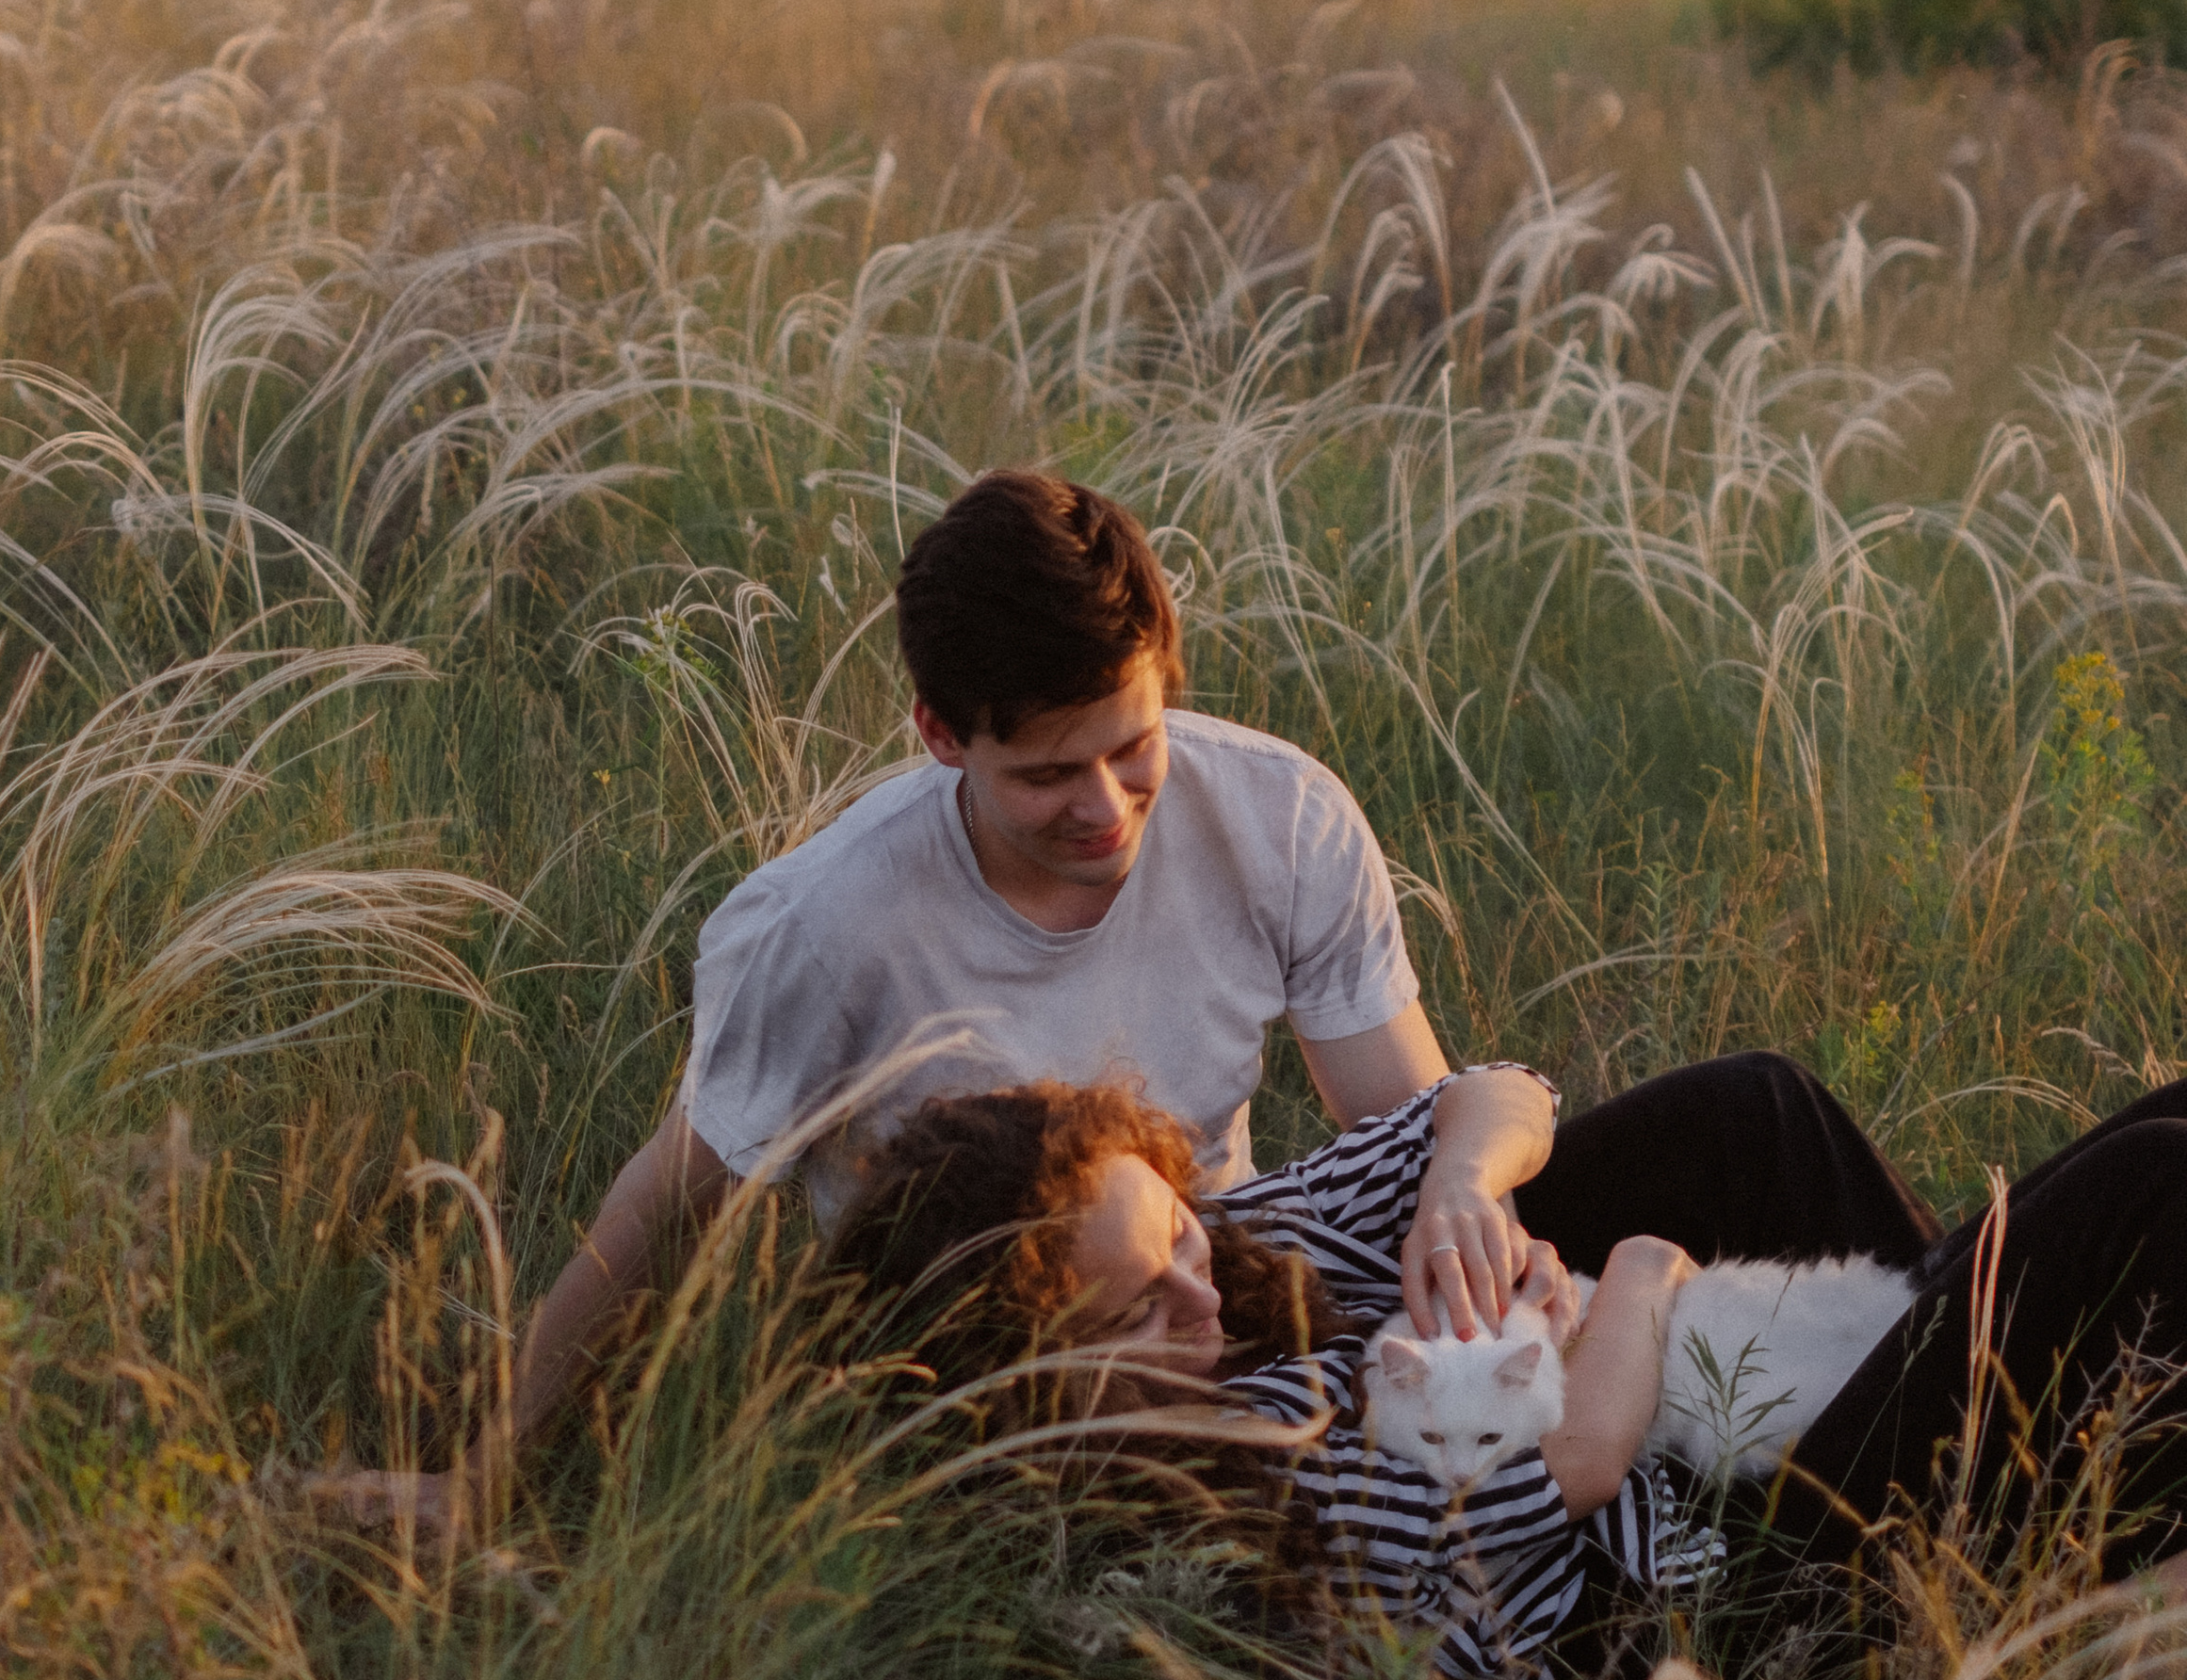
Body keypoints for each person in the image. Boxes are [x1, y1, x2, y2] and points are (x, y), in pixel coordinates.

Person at [515, 468, 1563, 1438]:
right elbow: (664, 1210)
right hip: (1019, 1405)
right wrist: (488, 1472)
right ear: (940, 734)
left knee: (1719, 1126)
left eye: (1131, 746)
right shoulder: (823, 927)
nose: (1104, 809)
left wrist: (1471, 1210)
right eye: (1047, 774)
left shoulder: (1279, 817)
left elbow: (1403, 1131)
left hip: (1236, 1293)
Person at [835, 1067, 2187, 1680]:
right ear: (1040, 1387)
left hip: (1719, 1442)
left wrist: (1461, 1191)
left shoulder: (1241, 1249)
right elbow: (1576, 1463)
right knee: (2154, 1198)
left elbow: (1493, 1096)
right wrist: (1636, 1288)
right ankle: (1997, 1437)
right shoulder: (1242, 1473)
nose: (1200, 1288)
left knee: (1758, 1112)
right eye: (1139, 1309)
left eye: (1178, 1235)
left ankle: (1952, 1358)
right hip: (1729, 1611)